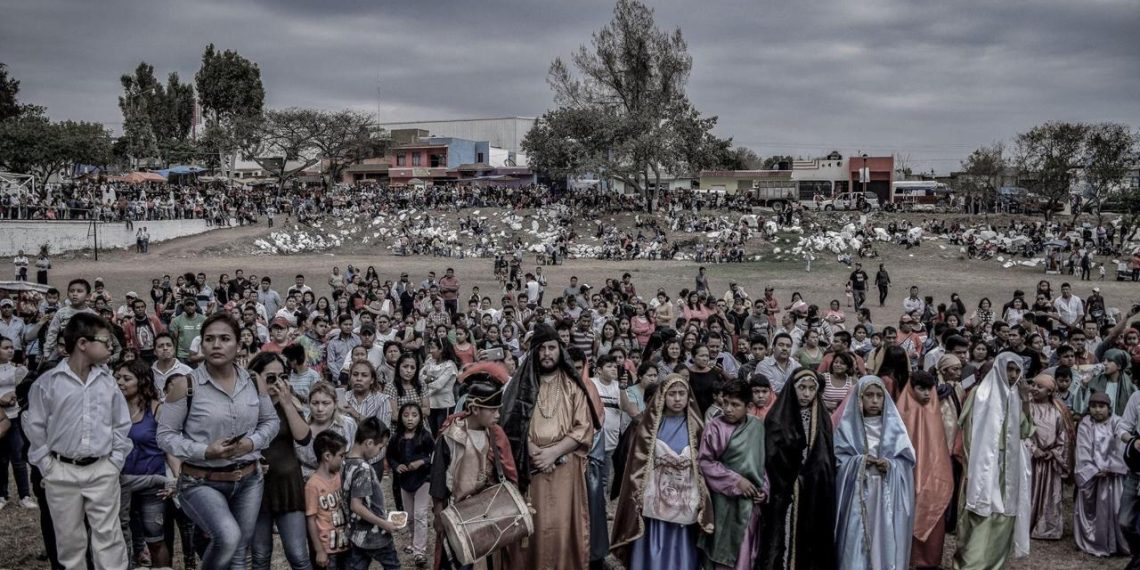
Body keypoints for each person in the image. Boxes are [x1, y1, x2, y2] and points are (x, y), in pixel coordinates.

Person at [156, 312, 280, 570]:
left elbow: (271, 423)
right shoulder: (185, 385)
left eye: (224, 338)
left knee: (238, 551)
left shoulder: (254, 382)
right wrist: (205, 451)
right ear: (201, 346)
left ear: (238, 344)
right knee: (228, 537)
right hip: (200, 480)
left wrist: (252, 443)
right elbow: (165, 436)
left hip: (248, 479)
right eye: (209, 339)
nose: (216, 344)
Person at [24, 312, 133, 570]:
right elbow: (34, 425)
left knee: (109, 538)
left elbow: (121, 423)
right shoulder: (48, 383)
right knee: (69, 541)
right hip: (62, 472)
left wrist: (114, 462)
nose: (111, 347)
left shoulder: (108, 383)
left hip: (101, 468)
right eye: (105, 341)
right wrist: (47, 466)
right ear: (83, 343)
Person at [499, 323, 600, 570]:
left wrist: (554, 452)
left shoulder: (573, 387)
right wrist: (532, 449)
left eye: (551, 347)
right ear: (534, 352)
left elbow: (583, 428)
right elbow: (509, 424)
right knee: (533, 526)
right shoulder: (519, 384)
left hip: (565, 470)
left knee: (561, 524)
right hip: (530, 468)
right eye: (541, 348)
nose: (546, 353)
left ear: (560, 351)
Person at [429, 363, 520, 570]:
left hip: (489, 513)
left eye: (499, 409)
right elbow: (438, 481)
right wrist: (438, 515)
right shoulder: (451, 436)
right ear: (474, 408)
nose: (497, 415)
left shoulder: (495, 435)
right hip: (457, 513)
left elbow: (508, 474)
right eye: (492, 410)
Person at [954, 353, 1032, 569]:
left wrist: (1025, 400)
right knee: (980, 514)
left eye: (1017, 370)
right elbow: (969, 432)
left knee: (1004, 514)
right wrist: (974, 467)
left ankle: (994, 564)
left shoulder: (1015, 395)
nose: (1013, 375)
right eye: (1009, 369)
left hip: (1009, 466)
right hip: (984, 466)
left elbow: (1025, 431)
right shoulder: (981, 394)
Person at [834, 375, 916, 570]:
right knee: (856, 536)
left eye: (879, 396)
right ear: (859, 399)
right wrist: (860, 462)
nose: (874, 400)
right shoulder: (847, 428)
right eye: (869, 395)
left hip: (886, 492)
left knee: (883, 535)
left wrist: (890, 465)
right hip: (857, 492)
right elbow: (839, 458)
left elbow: (906, 461)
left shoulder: (895, 428)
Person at [760, 368, 837, 570]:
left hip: (813, 491)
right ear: (791, 388)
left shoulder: (823, 419)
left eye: (812, 389)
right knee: (779, 537)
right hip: (783, 491)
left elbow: (825, 457)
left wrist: (813, 474)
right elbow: (771, 455)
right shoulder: (777, 418)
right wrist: (791, 477)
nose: (806, 394)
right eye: (801, 388)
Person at [250, 351, 313, 570]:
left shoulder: (289, 402)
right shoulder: (247, 406)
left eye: (282, 376)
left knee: (298, 555)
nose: (277, 383)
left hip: (288, 486)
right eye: (270, 378)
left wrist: (287, 403)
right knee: (259, 556)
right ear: (255, 377)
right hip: (255, 488)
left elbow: (304, 437)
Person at [696, 379, 765, 569]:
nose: (728, 409)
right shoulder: (715, 427)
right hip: (722, 502)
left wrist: (764, 489)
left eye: (735, 405)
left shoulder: (757, 427)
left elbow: (762, 462)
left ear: (748, 406)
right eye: (725, 402)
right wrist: (736, 481)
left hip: (749, 502)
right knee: (720, 548)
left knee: (744, 552)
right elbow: (705, 462)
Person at [114, 359, 173, 569]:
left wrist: (175, 481)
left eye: (126, 378)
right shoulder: (111, 409)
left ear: (142, 381)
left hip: (152, 484)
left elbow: (170, 449)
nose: (120, 382)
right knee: (120, 539)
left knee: (155, 539)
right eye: (118, 377)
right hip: (119, 484)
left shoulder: (157, 409)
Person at [896, 370, 953, 569]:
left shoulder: (934, 410)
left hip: (933, 473)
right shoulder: (901, 412)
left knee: (931, 509)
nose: (927, 394)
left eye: (930, 389)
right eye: (921, 389)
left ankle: (928, 559)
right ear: (911, 389)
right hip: (907, 476)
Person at [341, 417, 401, 570]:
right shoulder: (363, 468)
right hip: (375, 535)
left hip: (356, 533)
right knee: (392, 566)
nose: (381, 451)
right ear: (368, 443)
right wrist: (384, 524)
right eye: (380, 447)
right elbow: (356, 505)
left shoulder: (345, 462)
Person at [1073, 391, 1128, 557]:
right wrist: (1093, 470)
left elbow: (1121, 445)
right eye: (1093, 406)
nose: (1097, 410)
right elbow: (1082, 450)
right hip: (1093, 478)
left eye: (1101, 406)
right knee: (1094, 512)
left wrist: (1113, 467)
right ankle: (1096, 541)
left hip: (1114, 476)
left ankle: (1118, 543)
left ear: (1109, 408)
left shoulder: (1117, 422)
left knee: (1117, 510)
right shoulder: (1085, 424)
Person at [387, 402, 433, 565]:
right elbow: (390, 456)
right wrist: (396, 466)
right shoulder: (396, 438)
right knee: (410, 516)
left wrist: (421, 462)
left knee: (420, 514)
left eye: (414, 415)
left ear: (420, 417)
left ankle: (419, 551)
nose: (410, 419)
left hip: (423, 480)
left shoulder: (425, 436)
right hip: (405, 482)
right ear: (400, 418)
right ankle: (415, 543)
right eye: (406, 415)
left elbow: (433, 455)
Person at [1025, 374, 1070, 540]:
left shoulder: (1058, 411)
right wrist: (1033, 448)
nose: (1034, 389)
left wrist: (1054, 452)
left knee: (1049, 494)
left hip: (1050, 461)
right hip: (1030, 459)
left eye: (1039, 386)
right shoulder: (1026, 407)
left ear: (1050, 391)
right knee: (1028, 491)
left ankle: (1046, 526)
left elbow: (1063, 437)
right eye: (1033, 385)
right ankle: (1025, 523)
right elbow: (1020, 431)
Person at [305, 430, 349, 569]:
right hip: (328, 552)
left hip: (346, 545)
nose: (343, 460)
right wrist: (319, 550)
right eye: (341, 456)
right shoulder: (313, 485)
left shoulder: (340, 476)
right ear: (327, 456)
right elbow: (311, 520)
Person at [0, 335, 31, 510]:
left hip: (15, 416)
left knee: (19, 457)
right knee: (1, 459)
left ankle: (25, 495)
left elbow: (25, 391)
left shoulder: (19, 370)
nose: (10, 350)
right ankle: (2, 495)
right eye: (5, 347)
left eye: (12, 347)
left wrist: (14, 397)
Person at [1074, 348, 1134, 416]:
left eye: (1109, 361)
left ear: (1119, 366)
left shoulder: (1129, 387)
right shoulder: (1095, 382)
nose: (1105, 363)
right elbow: (1086, 405)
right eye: (1104, 360)